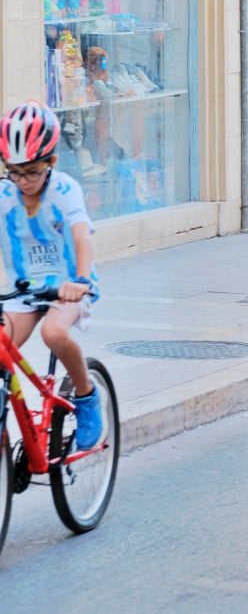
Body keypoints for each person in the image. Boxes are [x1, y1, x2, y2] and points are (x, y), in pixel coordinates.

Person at [0, 101, 103, 449]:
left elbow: (81, 234)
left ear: (51, 163)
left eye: (31, 171)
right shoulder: (4, 195)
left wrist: (82, 281)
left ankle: (86, 395)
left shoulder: (64, 190)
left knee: (54, 332)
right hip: (24, 292)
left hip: (67, 286)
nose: (22, 181)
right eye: (13, 171)